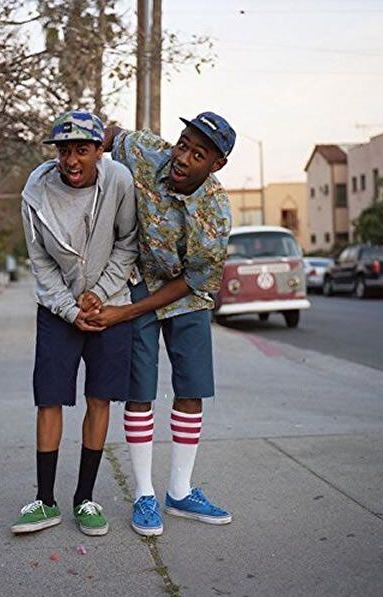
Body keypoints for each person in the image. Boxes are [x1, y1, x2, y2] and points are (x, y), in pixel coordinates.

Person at [88, 111, 236, 536]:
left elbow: (193, 280)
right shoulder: (147, 151)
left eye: (198, 154)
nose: (183, 157)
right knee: (140, 389)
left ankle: (180, 491)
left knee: (192, 388)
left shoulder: (216, 213)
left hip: (185, 294)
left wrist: (126, 313)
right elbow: (110, 135)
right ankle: (144, 495)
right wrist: (85, 140)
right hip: (139, 279)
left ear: (217, 164)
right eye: (183, 143)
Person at [10, 110, 138, 537]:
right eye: (64, 150)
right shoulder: (35, 192)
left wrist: (99, 293)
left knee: (99, 399)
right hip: (58, 310)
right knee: (49, 399)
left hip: (110, 306)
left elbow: (127, 243)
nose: (71, 160)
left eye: (82, 150)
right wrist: (70, 309)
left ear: (99, 150)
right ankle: (45, 501)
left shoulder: (118, 181)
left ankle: (85, 498)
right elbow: (41, 262)